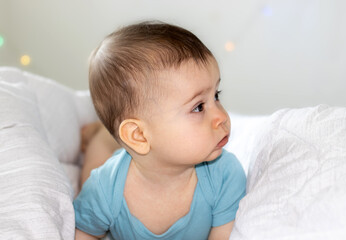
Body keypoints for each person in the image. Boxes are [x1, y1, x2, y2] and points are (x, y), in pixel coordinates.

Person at [73, 21, 246, 240]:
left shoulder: (224, 174)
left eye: (216, 95)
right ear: (139, 135)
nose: (222, 117)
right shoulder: (104, 188)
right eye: (198, 107)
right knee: (91, 169)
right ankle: (99, 135)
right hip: (113, 168)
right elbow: (84, 232)